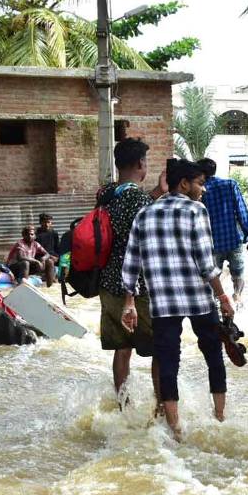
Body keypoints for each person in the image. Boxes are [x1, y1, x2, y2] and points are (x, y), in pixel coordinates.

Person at [120, 158, 235, 439]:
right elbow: (206, 263)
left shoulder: (144, 214)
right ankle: (219, 418)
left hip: (163, 302)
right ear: (184, 184)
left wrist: (129, 302)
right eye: (200, 183)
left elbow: (131, 262)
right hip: (198, 298)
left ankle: (175, 429)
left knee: (168, 360)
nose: (203, 190)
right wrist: (222, 295)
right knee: (213, 356)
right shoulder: (196, 210)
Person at [97, 137, 168, 402]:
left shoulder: (106, 194)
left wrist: (157, 192)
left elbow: (125, 216)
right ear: (141, 163)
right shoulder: (138, 199)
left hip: (108, 282)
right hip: (136, 287)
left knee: (122, 348)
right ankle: (162, 406)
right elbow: (143, 244)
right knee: (160, 347)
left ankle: (123, 406)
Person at [197, 158, 248, 304]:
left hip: (212, 243)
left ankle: (218, 303)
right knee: (238, 273)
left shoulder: (199, 189)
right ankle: (237, 295)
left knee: (213, 277)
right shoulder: (230, 184)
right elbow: (241, 211)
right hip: (233, 239)